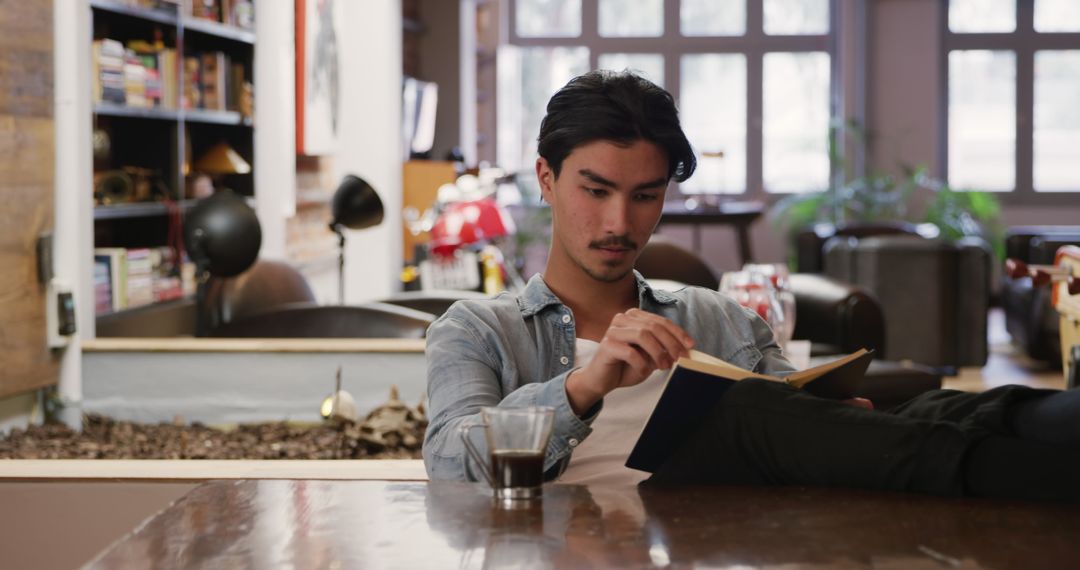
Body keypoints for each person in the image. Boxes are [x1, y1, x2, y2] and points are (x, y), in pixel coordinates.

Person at [423, 69, 1080, 501]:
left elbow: (791, 425)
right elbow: (450, 461)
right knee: (735, 411)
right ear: (546, 178)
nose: (620, 222)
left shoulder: (715, 317)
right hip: (628, 521)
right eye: (595, 191)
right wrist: (583, 385)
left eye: (645, 196)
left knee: (934, 409)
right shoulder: (478, 329)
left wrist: (834, 422)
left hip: (730, 523)